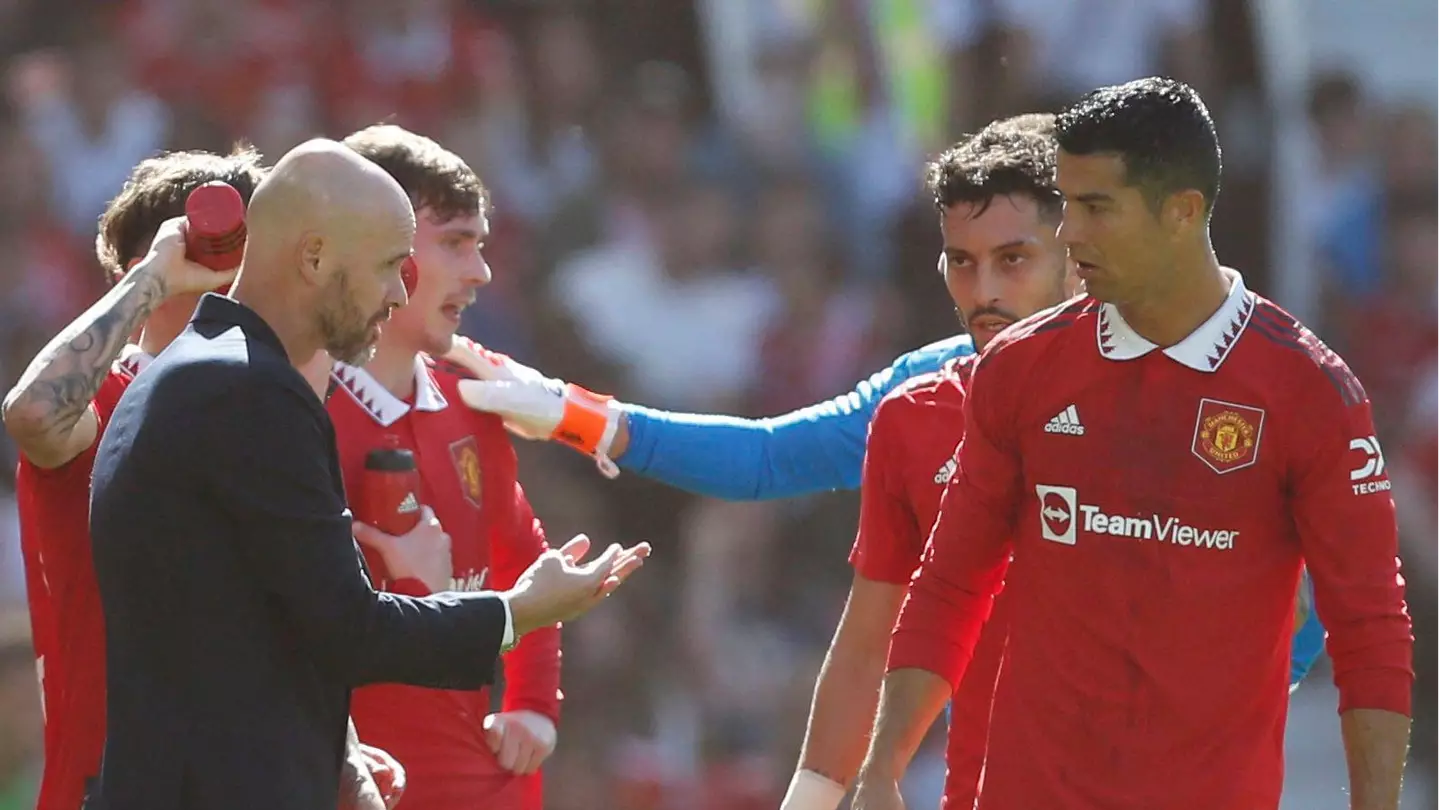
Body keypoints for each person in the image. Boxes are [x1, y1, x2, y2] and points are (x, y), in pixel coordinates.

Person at [850, 78, 1412, 810]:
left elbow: (1369, 629)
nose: (1068, 234)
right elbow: (952, 583)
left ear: (1182, 212)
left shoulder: (1309, 392)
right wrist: (882, 768)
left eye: (1095, 208)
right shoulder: (1019, 368)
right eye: (1065, 202)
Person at [86, 139, 649, 810]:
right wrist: (519, 611)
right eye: (388, 266)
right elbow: (347, 628)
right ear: (315, 256)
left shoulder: (201, 373)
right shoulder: (246, 393)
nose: (397, 291)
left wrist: (339, 757)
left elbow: (266, 631)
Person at [785, 115, 1071, 810]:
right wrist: (813, 799)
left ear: (1076, 253)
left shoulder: (1159, 400)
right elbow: (866, 643)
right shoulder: (913, 420)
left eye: (1013, 259)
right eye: (961, 261)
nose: (983, 292)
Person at [332, 124, 561, 810]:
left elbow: (523, 556)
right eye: (456, 242)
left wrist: (531, 702)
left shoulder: (472, 398)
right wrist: (409, 593)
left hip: (474, 775)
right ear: (379, 247)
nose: (480, 271)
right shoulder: (293, 408)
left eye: (481, 246)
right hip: (350, 779)